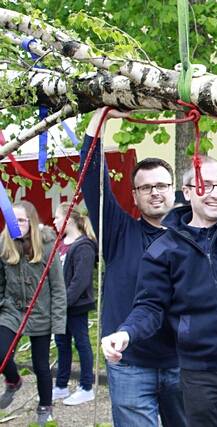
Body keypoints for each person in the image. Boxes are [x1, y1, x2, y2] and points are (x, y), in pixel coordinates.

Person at [101, 112, 217, 427]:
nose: (216, 194)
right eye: (205, 185)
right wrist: (126, 332)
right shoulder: (163, 248)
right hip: (200, 373)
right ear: (186, 192)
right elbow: (150, 305)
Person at [81, 108, 186, 426]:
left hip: (182, 362)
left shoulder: (193, 239)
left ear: (173, 190)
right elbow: (91, 178)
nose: (155, 192)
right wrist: (98, 122)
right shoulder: (119, 232)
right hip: (129, 363)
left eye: (162, 185)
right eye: (146, 187)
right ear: (135, 195)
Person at [0, 201, 66, 425]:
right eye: (13, 220)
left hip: (40, 313)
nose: (16, 225)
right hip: (11, 310)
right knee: (2, 352)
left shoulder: (48, 245)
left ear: (31, 222)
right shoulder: (3, 244)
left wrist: (58, 325)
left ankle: (45, 405)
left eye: (21, 220)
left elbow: (58, 288)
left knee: (40, 365)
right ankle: (13, 380)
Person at [51, 202, 97, 405]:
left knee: (81, 343)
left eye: (57, 217)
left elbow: (80, 281)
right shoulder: (60, 242)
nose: (54, 221)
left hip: (76, 306)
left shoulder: (84, 245)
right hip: (60, 306)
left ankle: (87, 387)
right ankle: (61, 385)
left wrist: (63, 302)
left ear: (68, 219)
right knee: (62, 344)